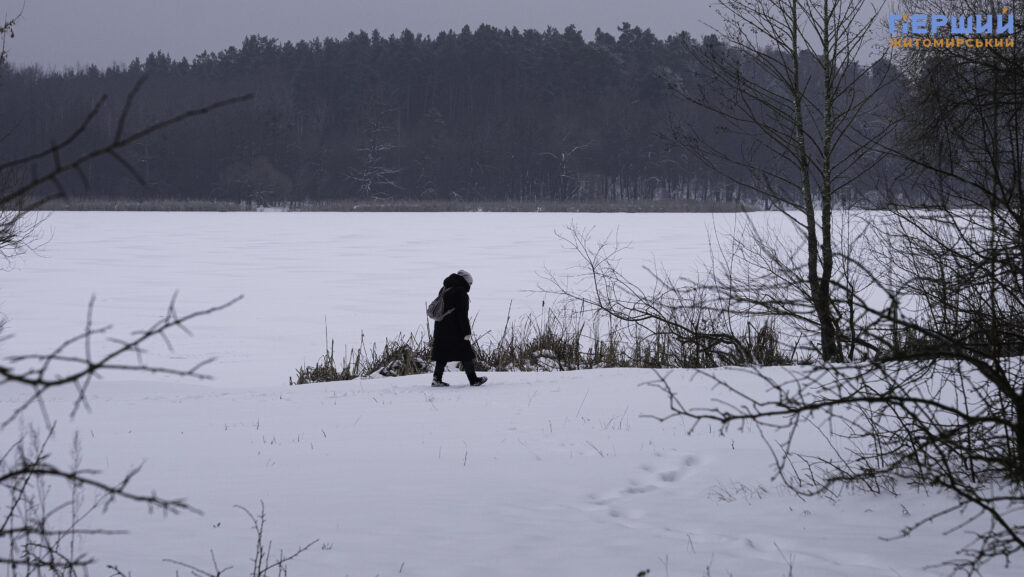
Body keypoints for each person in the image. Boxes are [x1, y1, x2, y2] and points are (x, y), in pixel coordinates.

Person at [430, 270, 487, 387]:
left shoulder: (445, 288)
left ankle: (437, 379)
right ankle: (473, 380)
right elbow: (462, 315)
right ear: (465, 281)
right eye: (470, 283)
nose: (471, 285)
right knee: (466, 353)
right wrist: (466, 332)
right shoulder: (460, 292)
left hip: (441, 326)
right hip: (455, 329)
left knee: (442, 353)